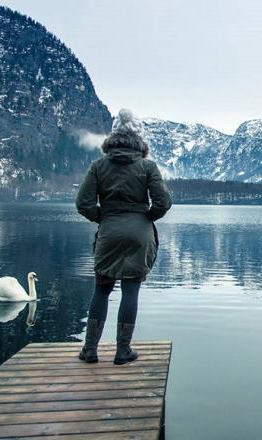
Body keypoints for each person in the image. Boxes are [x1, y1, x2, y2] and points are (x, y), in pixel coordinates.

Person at [75, 108, 172, 364]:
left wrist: (104, 218)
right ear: (139, 138)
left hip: (109, 232)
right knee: (131, 290)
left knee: (102, 289)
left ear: (113, 135)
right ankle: (122, 351)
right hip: (140, 233)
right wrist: (146, 217)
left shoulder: (98, 166)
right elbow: (163, 202)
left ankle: (90, 350)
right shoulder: (148, 166)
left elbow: (83, 203)